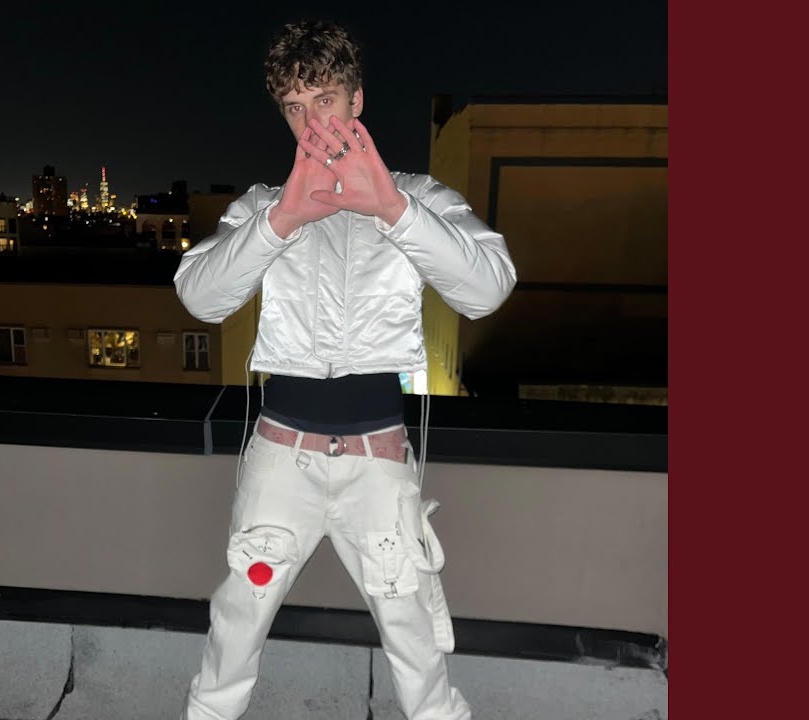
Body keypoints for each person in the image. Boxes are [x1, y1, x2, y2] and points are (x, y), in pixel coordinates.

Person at [174, 20, 516, 720]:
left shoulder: (417, 196)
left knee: (414, 637)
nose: (311, 122)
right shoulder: (265, 204)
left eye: (324, 99)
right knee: (237, 622)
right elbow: (201, 298)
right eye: (294, 107)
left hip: (377, 461)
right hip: (280, 457)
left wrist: (391, 208)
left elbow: (487, 289)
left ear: (356, 101)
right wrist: (282, 220)